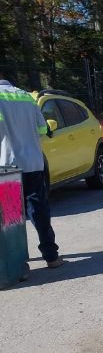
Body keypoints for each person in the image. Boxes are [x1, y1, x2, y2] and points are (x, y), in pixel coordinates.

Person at [0, 74, 64, 276]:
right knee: (38, 209)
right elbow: (43, 128)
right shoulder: (26, 96)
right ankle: (51, 256)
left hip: (7, 167)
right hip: (33, 164)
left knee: (10, 218)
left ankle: (18, 264)